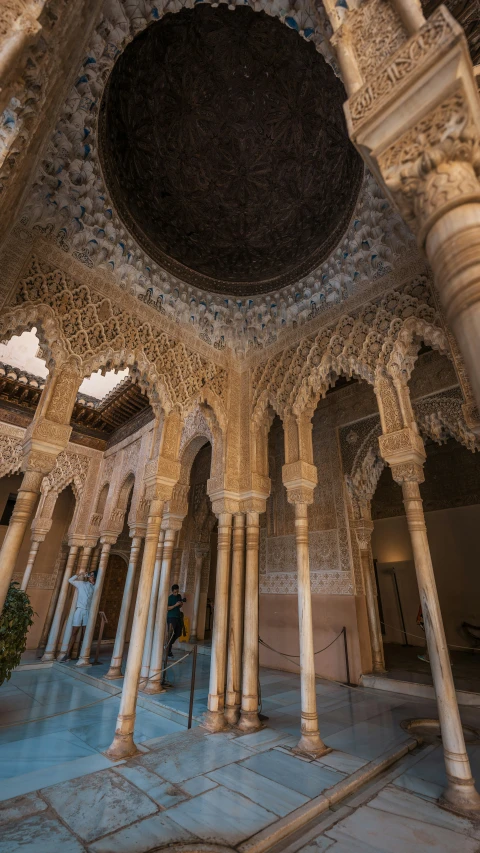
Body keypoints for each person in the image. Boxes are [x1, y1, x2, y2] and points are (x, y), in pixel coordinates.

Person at [59, 572, 95, 662]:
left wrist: (93, 583)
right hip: (79, 610)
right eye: (90, 575)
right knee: (74, 632)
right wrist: (79, 574)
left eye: (92, 575)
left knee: (85, 633)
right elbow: (70, 580)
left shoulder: (95, 587)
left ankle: (83, 654)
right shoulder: (82, 584)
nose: (90, 576)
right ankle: (68, 654)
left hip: (88, 611)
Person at [166, 583, 185, 659]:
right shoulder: (170, 598)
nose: (176, 593)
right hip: (171, 617)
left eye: (177, 591)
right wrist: (175, 605)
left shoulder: (179, 596)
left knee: (179, 633)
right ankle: (169, 651)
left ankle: (169, 644)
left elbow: (180, 605)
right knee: (171, 634)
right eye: (175, 592)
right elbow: (167, 608)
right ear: (172, 591)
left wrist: (180, 604)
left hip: (178, 617)